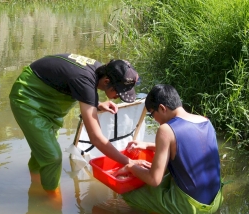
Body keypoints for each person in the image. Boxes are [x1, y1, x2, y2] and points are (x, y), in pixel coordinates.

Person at [9, 53, 149, 192]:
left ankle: (35, 184)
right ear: (106, 81)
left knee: (43, 151)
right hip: (28, 98)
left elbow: (77, 86)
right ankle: (50, 198)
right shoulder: (85, 80)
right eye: (118, 92)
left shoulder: (101, 71)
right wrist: (130, 162)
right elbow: (96, 138)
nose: (118, 97)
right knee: (52, 157)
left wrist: (96, 104)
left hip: (49, 103)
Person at [116, 84, 223, 214]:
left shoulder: (166, 130)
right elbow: (184, 147)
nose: (154, 119)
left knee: (128, 194)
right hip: (215, 201)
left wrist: (131, 167)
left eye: (152, 114)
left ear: (162, 108)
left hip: (189, 209)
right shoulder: (205, 121)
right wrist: (146, 145)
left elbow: (154, 180)